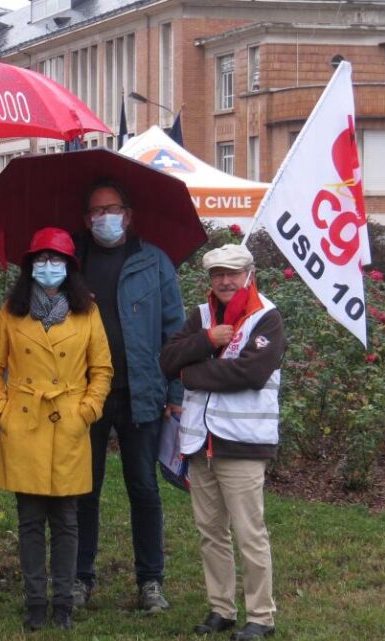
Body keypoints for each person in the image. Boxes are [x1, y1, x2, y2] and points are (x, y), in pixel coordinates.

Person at [0, 228, 113, 631]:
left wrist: (88, 410)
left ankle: (64, 604)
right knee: (29, 520)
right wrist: (1, 409)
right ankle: (36, 603)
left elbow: (102, 369)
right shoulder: (12, 310)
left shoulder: (87, 311)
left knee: (67, 520)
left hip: (69, 422)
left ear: (70, 267)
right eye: (40, 259)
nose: (48, 266)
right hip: (24, 422)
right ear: (29, 266)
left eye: (56, 260)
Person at [71, 180, 187, 612]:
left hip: (142, 394)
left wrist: (175, 390)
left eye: (113, 208)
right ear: (86, 218)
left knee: (143, 487)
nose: (105, 217)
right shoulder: (71, 263)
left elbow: (175, 332)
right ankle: (80, 578)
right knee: (84, 488)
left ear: (129, 214)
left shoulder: (154, 262)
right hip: (86, 394)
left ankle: (150, 581)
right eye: (97, 210)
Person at [159, 244, 284, 641]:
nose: (225, 281)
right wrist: (207, 340)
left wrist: (193, 375)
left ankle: (261, 616)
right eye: (218, 275)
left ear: (249, 273)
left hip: (244, 444)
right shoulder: (200, 316)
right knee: (211, 531)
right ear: (209, 279)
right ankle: (222, 609)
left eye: (233, 273)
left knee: (250, 532)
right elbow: (167, 360)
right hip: (200, 443)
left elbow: (251, 373)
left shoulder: (267, 316)